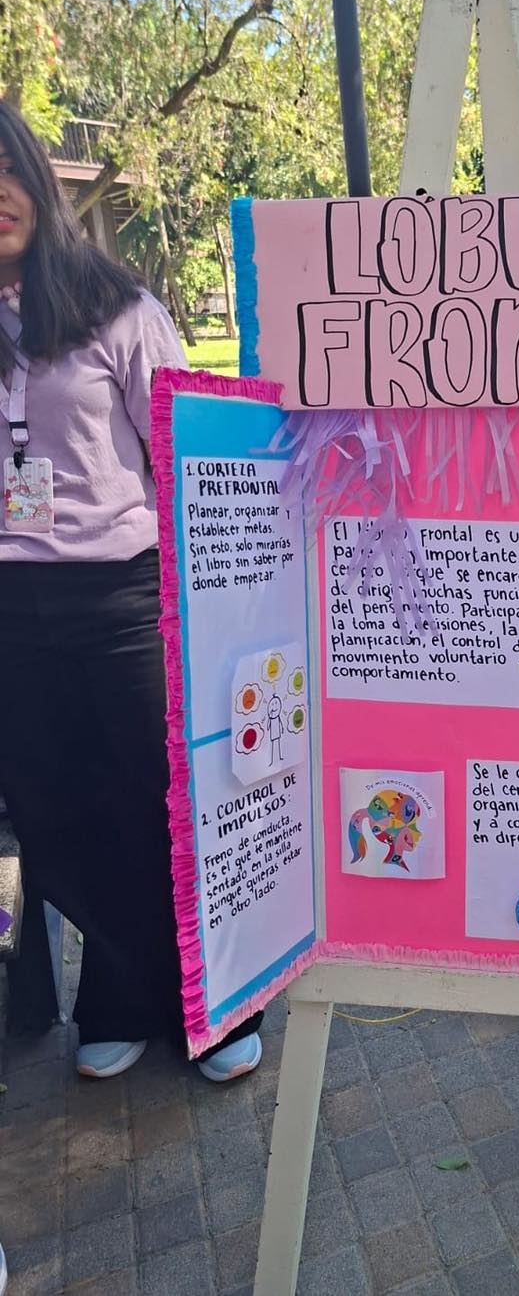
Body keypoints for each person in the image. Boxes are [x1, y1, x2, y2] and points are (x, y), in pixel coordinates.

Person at [0, 101, 262, 1081]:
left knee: (160, 804)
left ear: (36, 177)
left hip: (124, 596)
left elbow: (187, 459)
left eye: (6, 169)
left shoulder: (118, 309)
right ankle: (137, 987)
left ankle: (213, 1005)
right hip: (12, 608)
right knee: (53, 815)